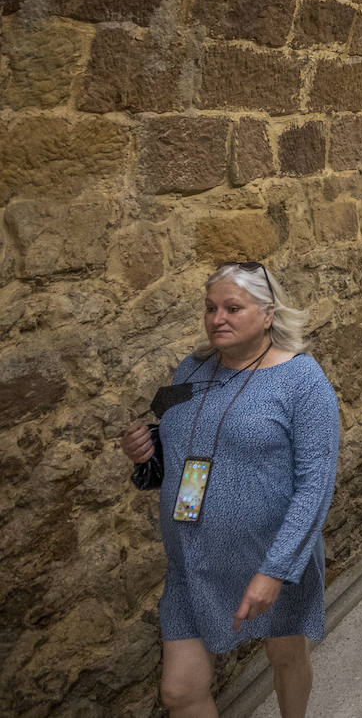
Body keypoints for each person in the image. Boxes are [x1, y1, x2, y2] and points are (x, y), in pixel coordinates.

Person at [120, 263, 340, 718]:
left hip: (269, 554)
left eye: (232, 308)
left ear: (267, 314)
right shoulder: (190, 370)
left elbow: (315, 486)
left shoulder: (302, 380)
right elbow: (179, 453)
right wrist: (146, 453)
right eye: (210, 308)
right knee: (179, 692)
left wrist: (275, 571)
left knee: (285, 656)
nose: (217, 318)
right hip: (192, 559)